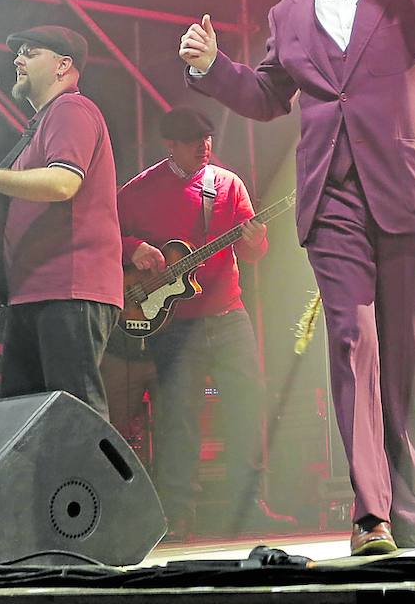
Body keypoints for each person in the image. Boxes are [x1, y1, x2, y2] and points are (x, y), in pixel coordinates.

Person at [179, 0, 415, 555]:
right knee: (352, 342)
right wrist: (215, 67)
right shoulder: (288, 13)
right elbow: (266, 97)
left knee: (401, 358)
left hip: (402, 185)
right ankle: (370, 515)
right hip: (331, 196)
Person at [116, 105, 293, 539]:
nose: (204, 148)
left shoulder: (227, 185)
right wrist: (134, 246)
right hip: (173, 322)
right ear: (170, 145)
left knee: (247, 407)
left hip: (229, 314)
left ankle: (248, 506)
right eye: (194, 143)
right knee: (178, 417)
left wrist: (257, 239)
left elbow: (253, 254)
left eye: (208, 141)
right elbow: (102, 232)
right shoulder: (140, 190)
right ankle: (176, 514)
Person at [0, 25, 122, 417]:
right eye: (18, 52)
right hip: (36, 292)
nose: (17, 59)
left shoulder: (71, 110)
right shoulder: (42, 125)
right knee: (27, 421)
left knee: (75, 418)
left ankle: (92, 480)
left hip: (68, 289)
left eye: (30, 52)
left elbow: (63, 183)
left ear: (63, 66)